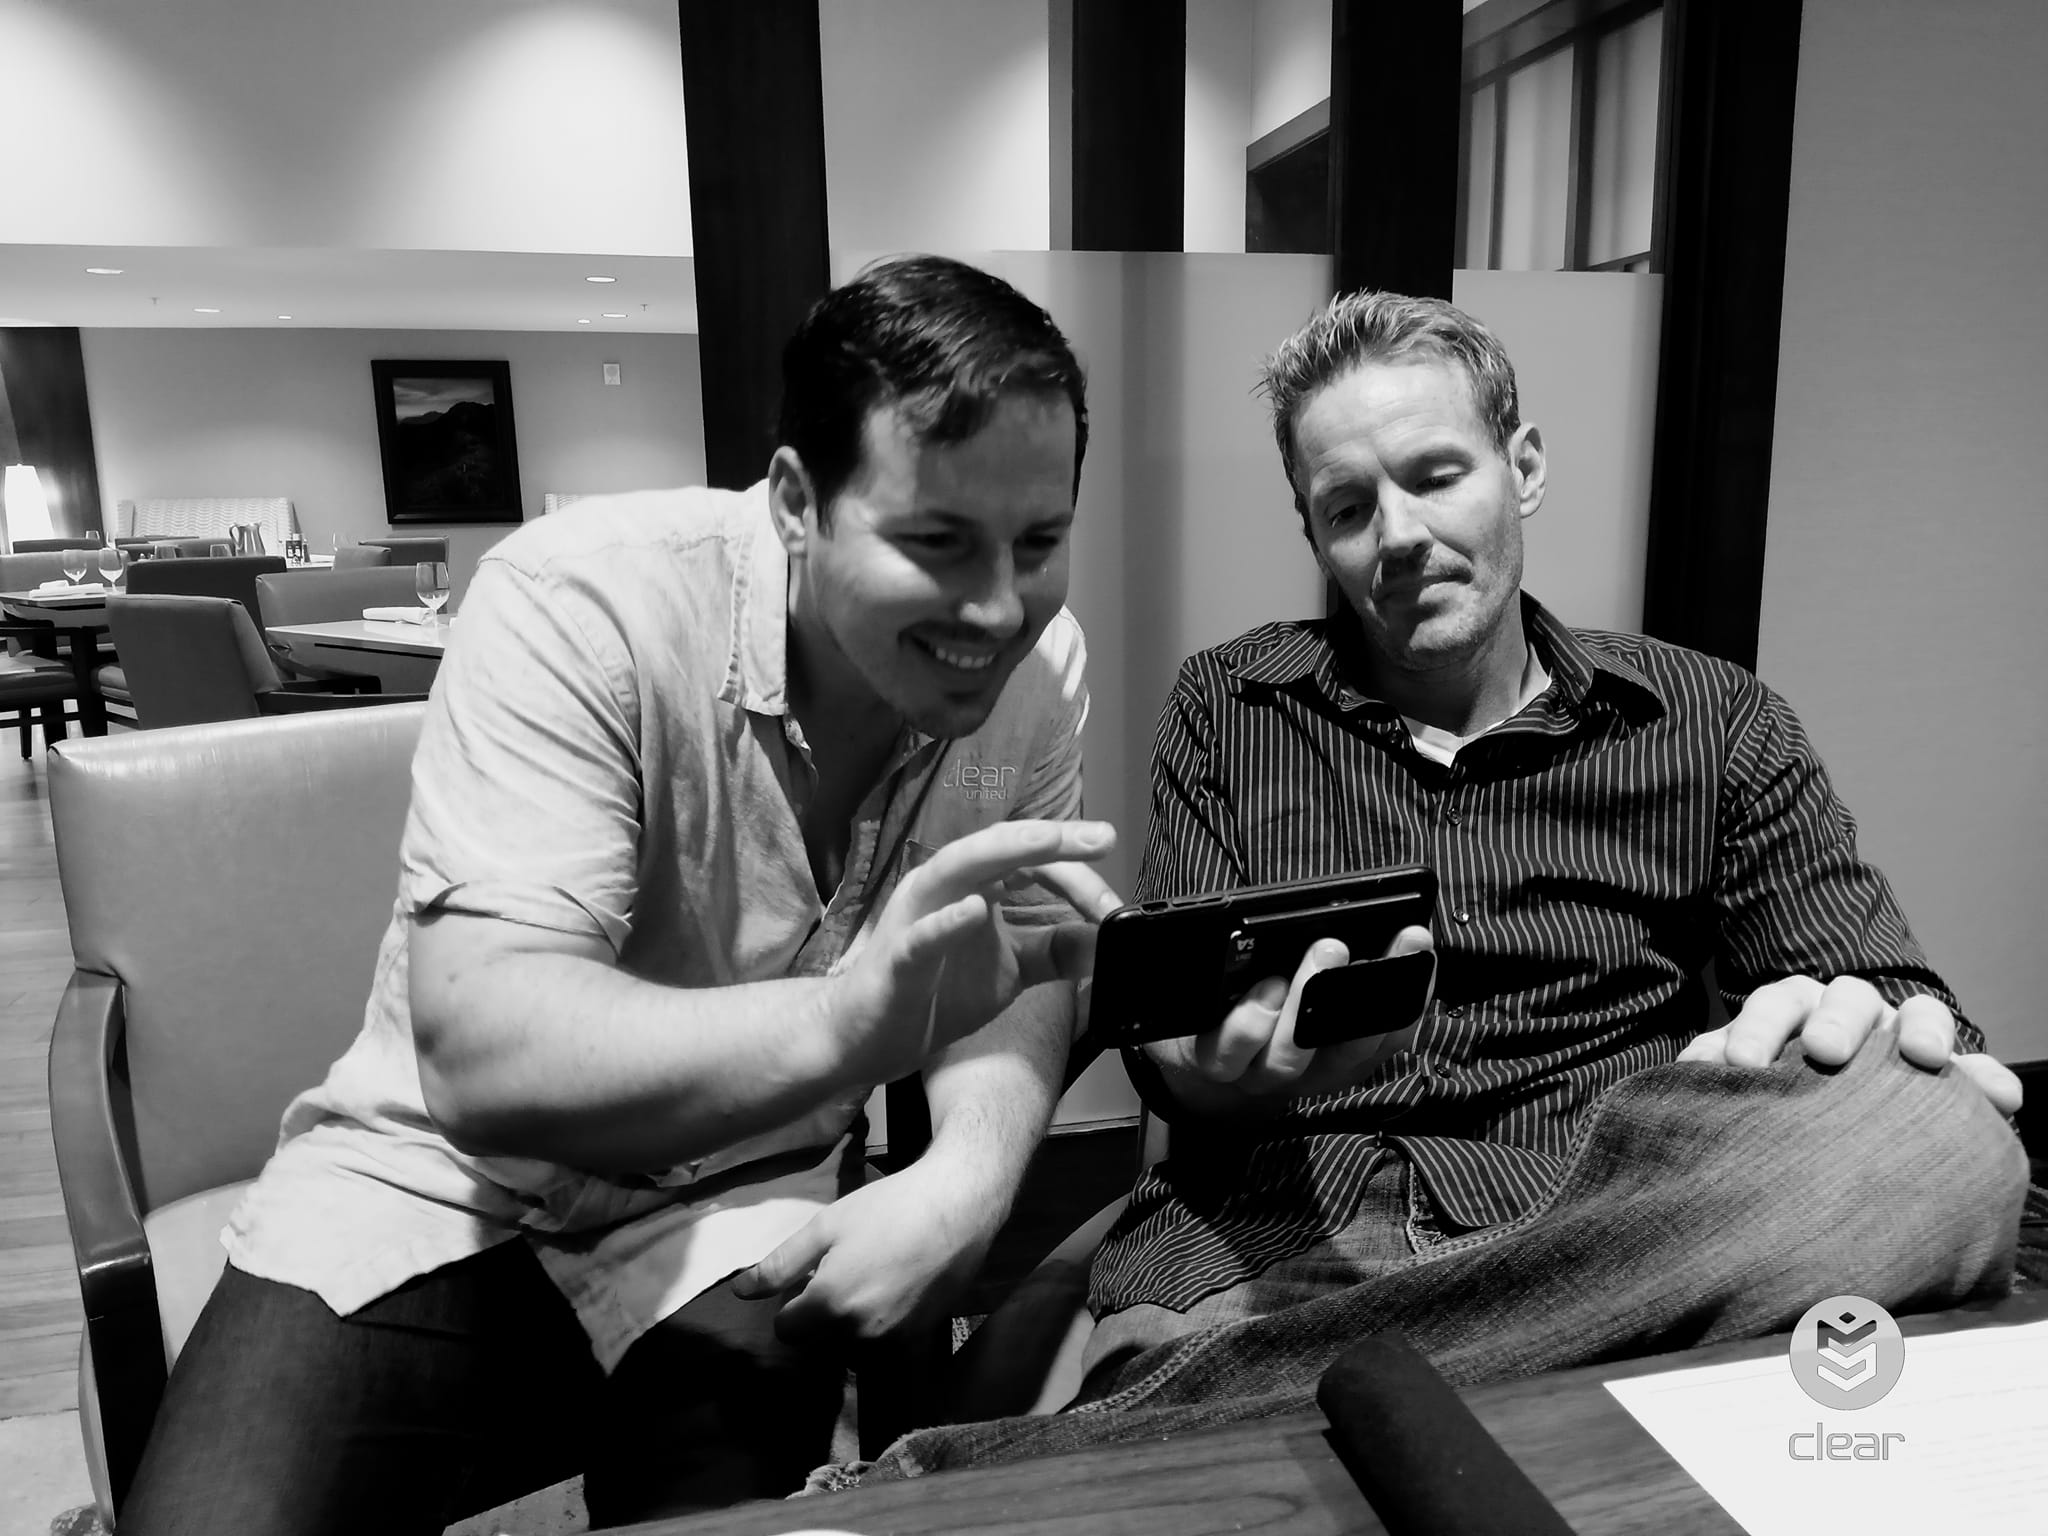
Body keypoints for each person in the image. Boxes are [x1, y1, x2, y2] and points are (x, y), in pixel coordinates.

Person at [841, 289, 2037, 1483]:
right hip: (1278, 1242)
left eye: (1434, 476)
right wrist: (1209, 1073)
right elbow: (1174, 1040)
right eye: (1347, 507)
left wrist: (1857, 1029)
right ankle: (1414, 1382)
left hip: (1599, 1230)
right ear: (1313, 534)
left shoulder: (1708, 718)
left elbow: (1902, 1006)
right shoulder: (1229, 704)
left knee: (1946, 1154)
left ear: (1522, 467)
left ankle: (1143, 1436)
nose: (1398, 534)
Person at [119, 254, 1123, 1534]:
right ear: (796, 503)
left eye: (1038, 544)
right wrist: (845, 1022)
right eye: (935, 542)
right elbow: (487, 1055)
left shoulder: (1040, 672)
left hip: (744, 1197)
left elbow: (1017, 954)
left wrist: (966, 1177)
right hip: (438, 1184)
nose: (995, 608)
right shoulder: (581, 600)